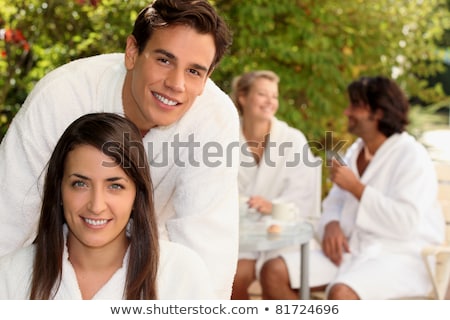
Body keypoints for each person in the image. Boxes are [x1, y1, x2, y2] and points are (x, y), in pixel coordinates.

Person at [0, 0, 239, 299]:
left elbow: (209, 247)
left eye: (194, 71)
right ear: (132, 52)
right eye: (164, 60)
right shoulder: (61, 98)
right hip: (54, 264)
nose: (176, 84)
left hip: (150, 266)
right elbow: (7, 217)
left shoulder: (214, 120)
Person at [264, 75, 446, 299]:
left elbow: (405, 222)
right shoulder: (355, 151)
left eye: (355, 106)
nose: (347, 112)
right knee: (273, 271)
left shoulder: (411, 156)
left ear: (378, 112)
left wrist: (357, 188)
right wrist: (331, 224)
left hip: (398, 258)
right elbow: (333, 203)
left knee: (342, 294)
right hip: (350, 253)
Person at [0, 113, 216, 299]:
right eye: (80, 184)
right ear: (58, 190)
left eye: (115, 186)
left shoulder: (180, 273)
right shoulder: (10, 275)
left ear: (137, 194)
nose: (96, 205)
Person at [229, 70, 319, 299]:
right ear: (243, 97)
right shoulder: (224, 136)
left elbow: (305, 196)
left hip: (282, 233)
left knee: (274, 275)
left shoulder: (293, 140)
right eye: (262, 94)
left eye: (274, 96)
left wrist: (273, 207)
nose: (270, 101)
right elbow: (212, 188)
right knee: (234, 276)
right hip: (239, 235)